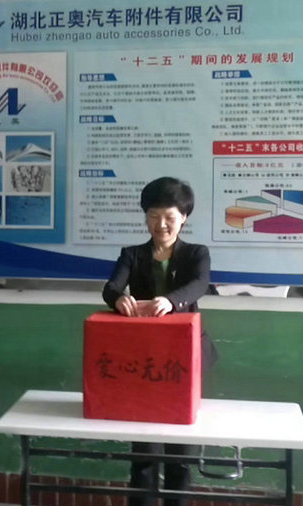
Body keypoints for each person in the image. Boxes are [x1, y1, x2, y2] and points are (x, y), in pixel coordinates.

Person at [102, 176, 218, 506]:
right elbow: (111, 287)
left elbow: (200, 284)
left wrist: (171, 300)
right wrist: (118, 299)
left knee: (180, 451)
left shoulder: (196, 253)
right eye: (153, 216)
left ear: (184, 217)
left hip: (186, 357)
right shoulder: (132, 254)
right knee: (144, 449)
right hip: (144, 360)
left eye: (169, 217)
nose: (161, 224)